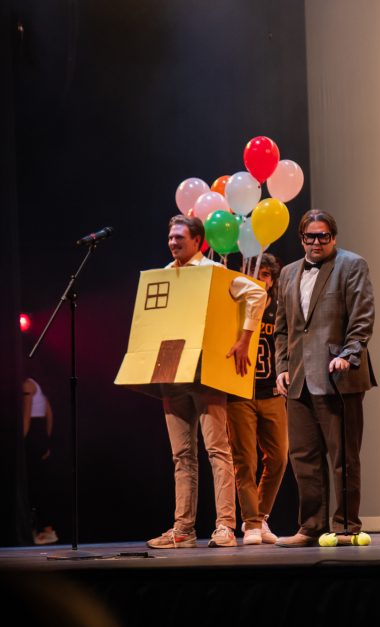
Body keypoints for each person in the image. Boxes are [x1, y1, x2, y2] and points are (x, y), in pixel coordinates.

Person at [147, 215, 266, 549]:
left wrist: (243, 339)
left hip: (205, 373)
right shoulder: (165, 276)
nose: (172, 243)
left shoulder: (213, 273)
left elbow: (257, 293)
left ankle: (225, 525)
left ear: (197, 240)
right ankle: (183, 528)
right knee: (181, 454)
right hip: (172, 371)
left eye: (179, 238)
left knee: (217, 450)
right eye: (170, 237)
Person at [274, 209, 376, 547]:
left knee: (342, 456)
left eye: (324, 236)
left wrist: (348, 356)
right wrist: (282, 367)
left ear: (334, 236)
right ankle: (311, 527)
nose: (317, 242)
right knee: (303, 456)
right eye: (311, 236)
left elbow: (362, 318)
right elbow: (283, 328)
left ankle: (346, 526)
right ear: (302, 238)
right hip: (299, 379)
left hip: (338, 376)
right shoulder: (288, 273)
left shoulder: (352, 265)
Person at [226, 253, 288, 545]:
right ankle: (251, 523)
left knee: (278, 457)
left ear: (273, 280)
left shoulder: (279, 308)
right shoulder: (233, 307)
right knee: (245, 461)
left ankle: (260, 516)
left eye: (265, 275)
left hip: (271, 392)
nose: (259, 280)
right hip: (239, 393)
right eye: (254, 274)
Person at [23, 377, 58, 545]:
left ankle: (47, 529)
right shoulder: (37, 384)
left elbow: (26, 417)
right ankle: (44, 528)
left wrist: (20, 441)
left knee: (35, 484)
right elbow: (50, 414)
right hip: (39, 435)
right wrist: (46, 439)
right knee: (39, 483)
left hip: (32, 436)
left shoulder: (27, 385)